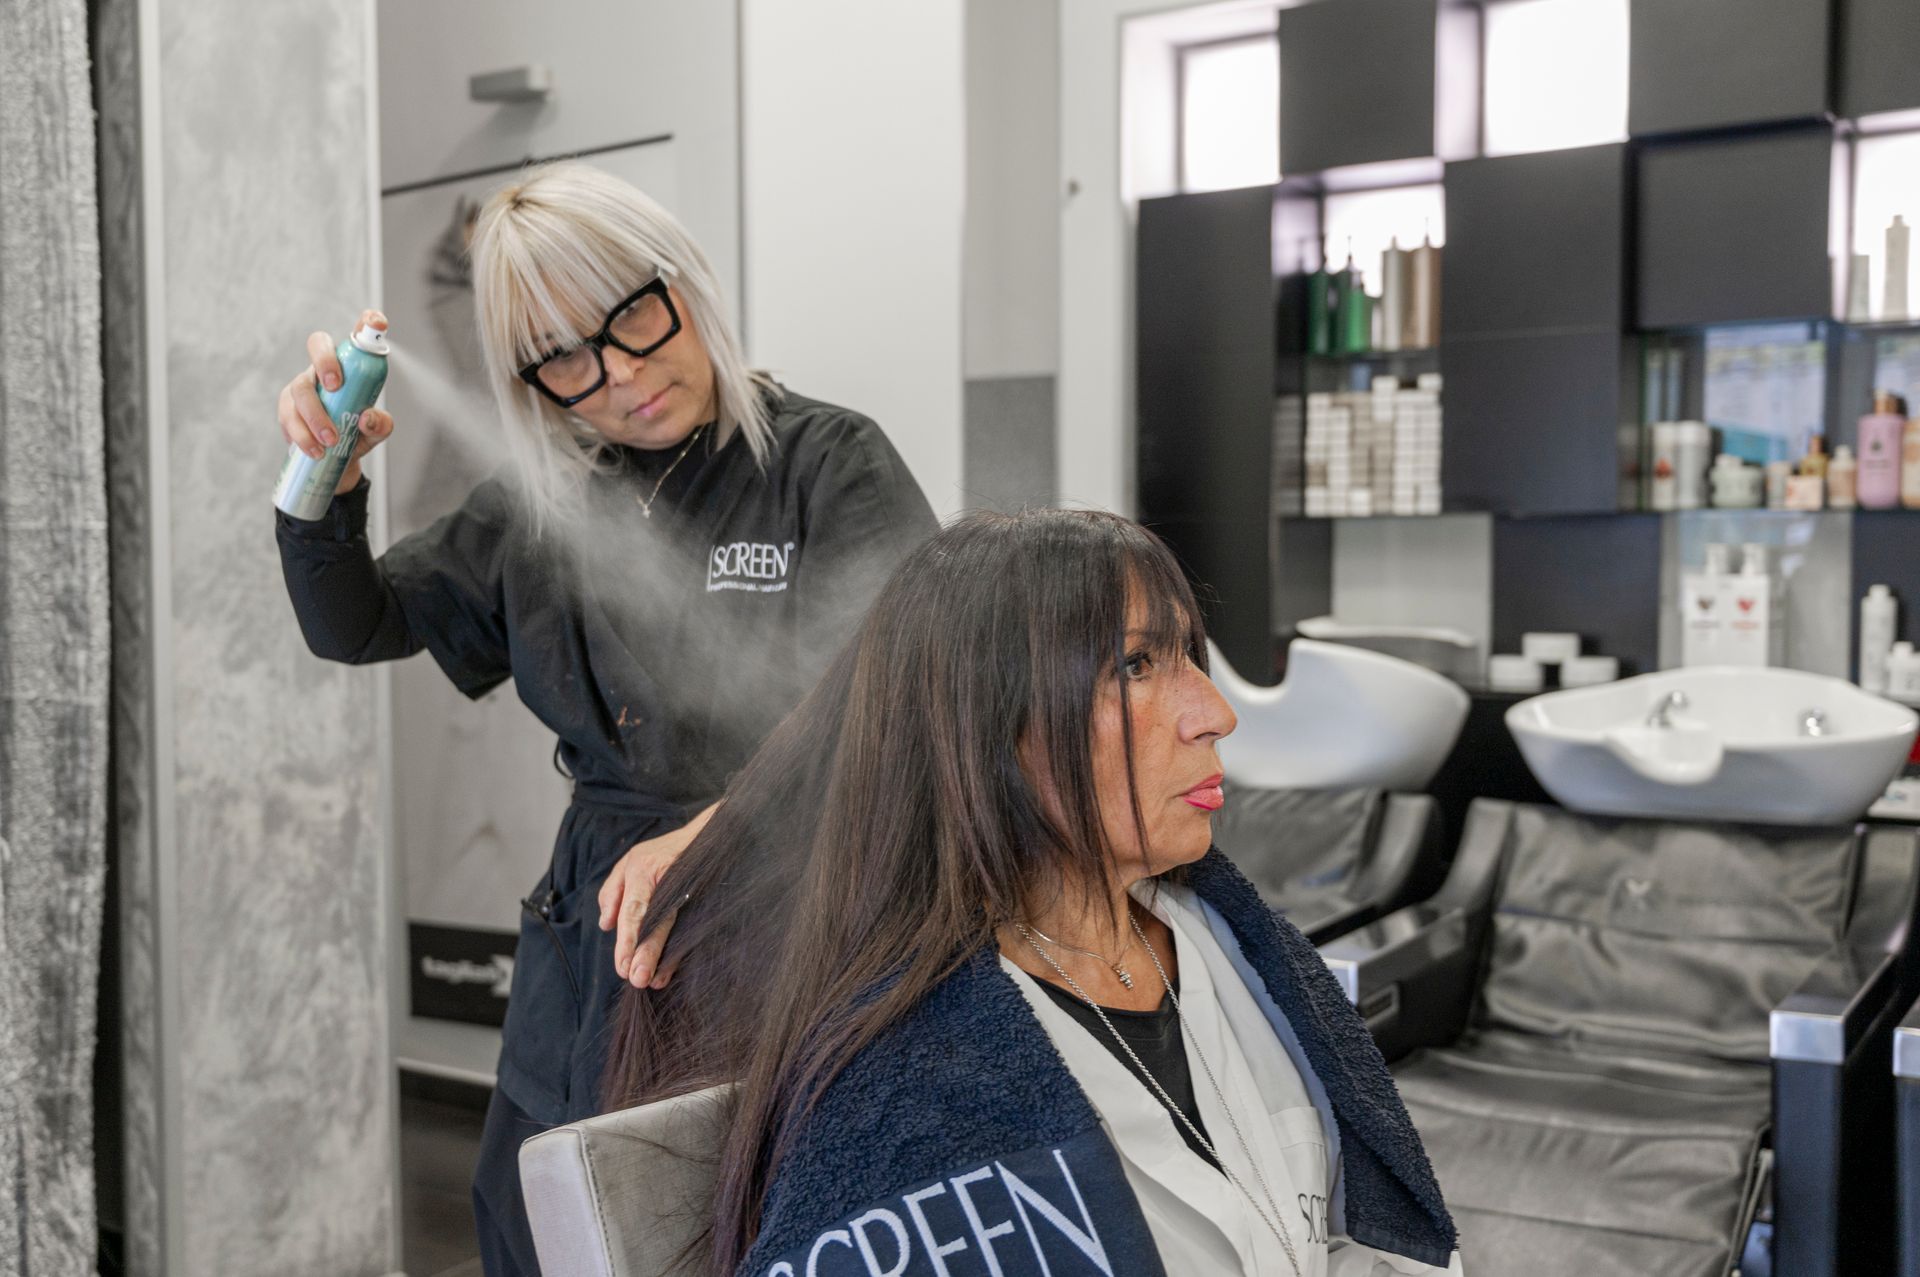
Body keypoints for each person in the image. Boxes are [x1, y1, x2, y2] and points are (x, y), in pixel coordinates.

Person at [272, 161, 938, 1276]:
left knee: (732, 1223)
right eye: (566, 358)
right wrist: (321, 481)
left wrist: (716, 833)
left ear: (685, 283)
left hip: (790, 912)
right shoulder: (540, 508)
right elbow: (357, 622)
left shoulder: (829, 464)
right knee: (538, 1208)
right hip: (592, 928)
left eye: (634, 317)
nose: (620, 373)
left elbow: (908, 702)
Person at [609, 509, 1464, 1277]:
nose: (1214, 712)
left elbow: (1363, 1228)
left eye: (1187, 658)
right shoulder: (909, 1086)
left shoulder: (1240, 953)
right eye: (1137, 663)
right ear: (988, 725)